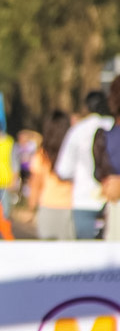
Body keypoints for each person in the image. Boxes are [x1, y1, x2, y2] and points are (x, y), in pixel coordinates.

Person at [55, 90, 113, 239]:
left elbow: (63, 170)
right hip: (113, 200)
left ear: (86, 107)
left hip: (84, 200)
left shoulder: (77, 130)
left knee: (87, 254)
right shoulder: (113, 127)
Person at [21, 110, 74, 240]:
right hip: (71, 208)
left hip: (47, 207)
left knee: (49, 254)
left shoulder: (42, 154)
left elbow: (36, 184)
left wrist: (31, 209)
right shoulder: (73, 151)